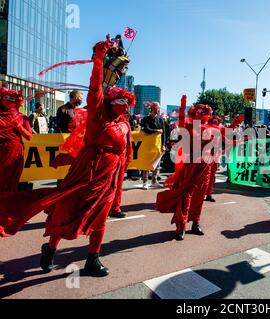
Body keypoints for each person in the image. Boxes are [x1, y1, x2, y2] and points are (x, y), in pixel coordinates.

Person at [0, 40, 135, 277]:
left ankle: (93, 259)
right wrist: (99, 60)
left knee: (101, 216)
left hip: (109, 176)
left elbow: (126, 150)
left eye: (127, 102)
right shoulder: (97, 117)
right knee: (67, 211)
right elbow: (95, 89)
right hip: (88, 172)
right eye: (121, 101)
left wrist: (122, 171)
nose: (126, 105)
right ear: (111, 102)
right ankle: (50, 248)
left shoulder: (124, 123)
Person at [156, 97, 217, 240]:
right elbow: (181, 122)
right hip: (190, 166)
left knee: (200, 196)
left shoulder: (212, 129)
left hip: (205, 167)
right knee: (186, 196)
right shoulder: (189, 127)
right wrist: (182, 109)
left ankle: (196, 223)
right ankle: (181, 225)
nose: (201, 115)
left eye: (203, 112)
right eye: (198, 112)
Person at [0, 88, 33, 192]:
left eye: (11, 98)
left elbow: (29, 136)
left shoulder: (22, 117)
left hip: (13, 152)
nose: (8, 100)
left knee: (10, 182)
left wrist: (19, 127)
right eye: (5, 97)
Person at [140, 102, 166, 189]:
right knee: (146, 163)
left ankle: (154, 181)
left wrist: (163, 144)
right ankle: (145, 182)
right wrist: (156, 130)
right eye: (155, 109)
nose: (157, 111)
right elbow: (146, 129)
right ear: (151, 109)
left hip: (157, 145)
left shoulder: (161, 120)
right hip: (147, 145)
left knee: (157, 164)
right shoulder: (145, 119)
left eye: (157, 109)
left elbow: (164, 133)